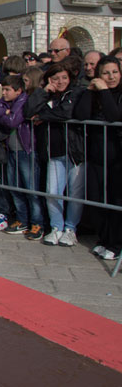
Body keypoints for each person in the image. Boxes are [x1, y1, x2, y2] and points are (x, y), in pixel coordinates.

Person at [25, 62, 85, 247]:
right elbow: (29, 111)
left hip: (74, 151)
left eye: (64, 78)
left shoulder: (77, 92)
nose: (60, 82)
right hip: (53, 151)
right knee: (52, 192)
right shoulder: (47, 94)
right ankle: (56, 227)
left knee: (75, 194)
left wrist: (43, 116)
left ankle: (70, 229)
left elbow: (66, 112)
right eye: (55, 78)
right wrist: (43, 92)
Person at [0, 75, 44, 239]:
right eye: (4, 89)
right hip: (11, 150)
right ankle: (22, 220)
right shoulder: (5, 102)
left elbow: (12, 121)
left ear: (18, 91)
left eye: (8, 90)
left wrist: (4, 115)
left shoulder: (23, 101)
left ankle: (37, 223)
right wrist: (4, 112)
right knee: (15, 187)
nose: (5, 93)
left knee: (31, 189)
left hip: (26, 150)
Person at [74, 56, 122, 260]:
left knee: (115, 200)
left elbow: (114, 116)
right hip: (96, 154)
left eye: (115, 72)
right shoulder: (92, 93)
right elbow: (81, 115)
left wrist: (104, 91)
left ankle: (116, 243)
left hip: (117, 156)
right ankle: (104, 238)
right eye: (106, 73)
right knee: (97, 199)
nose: (111, 77)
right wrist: (90, 92)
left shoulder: (118, 94)